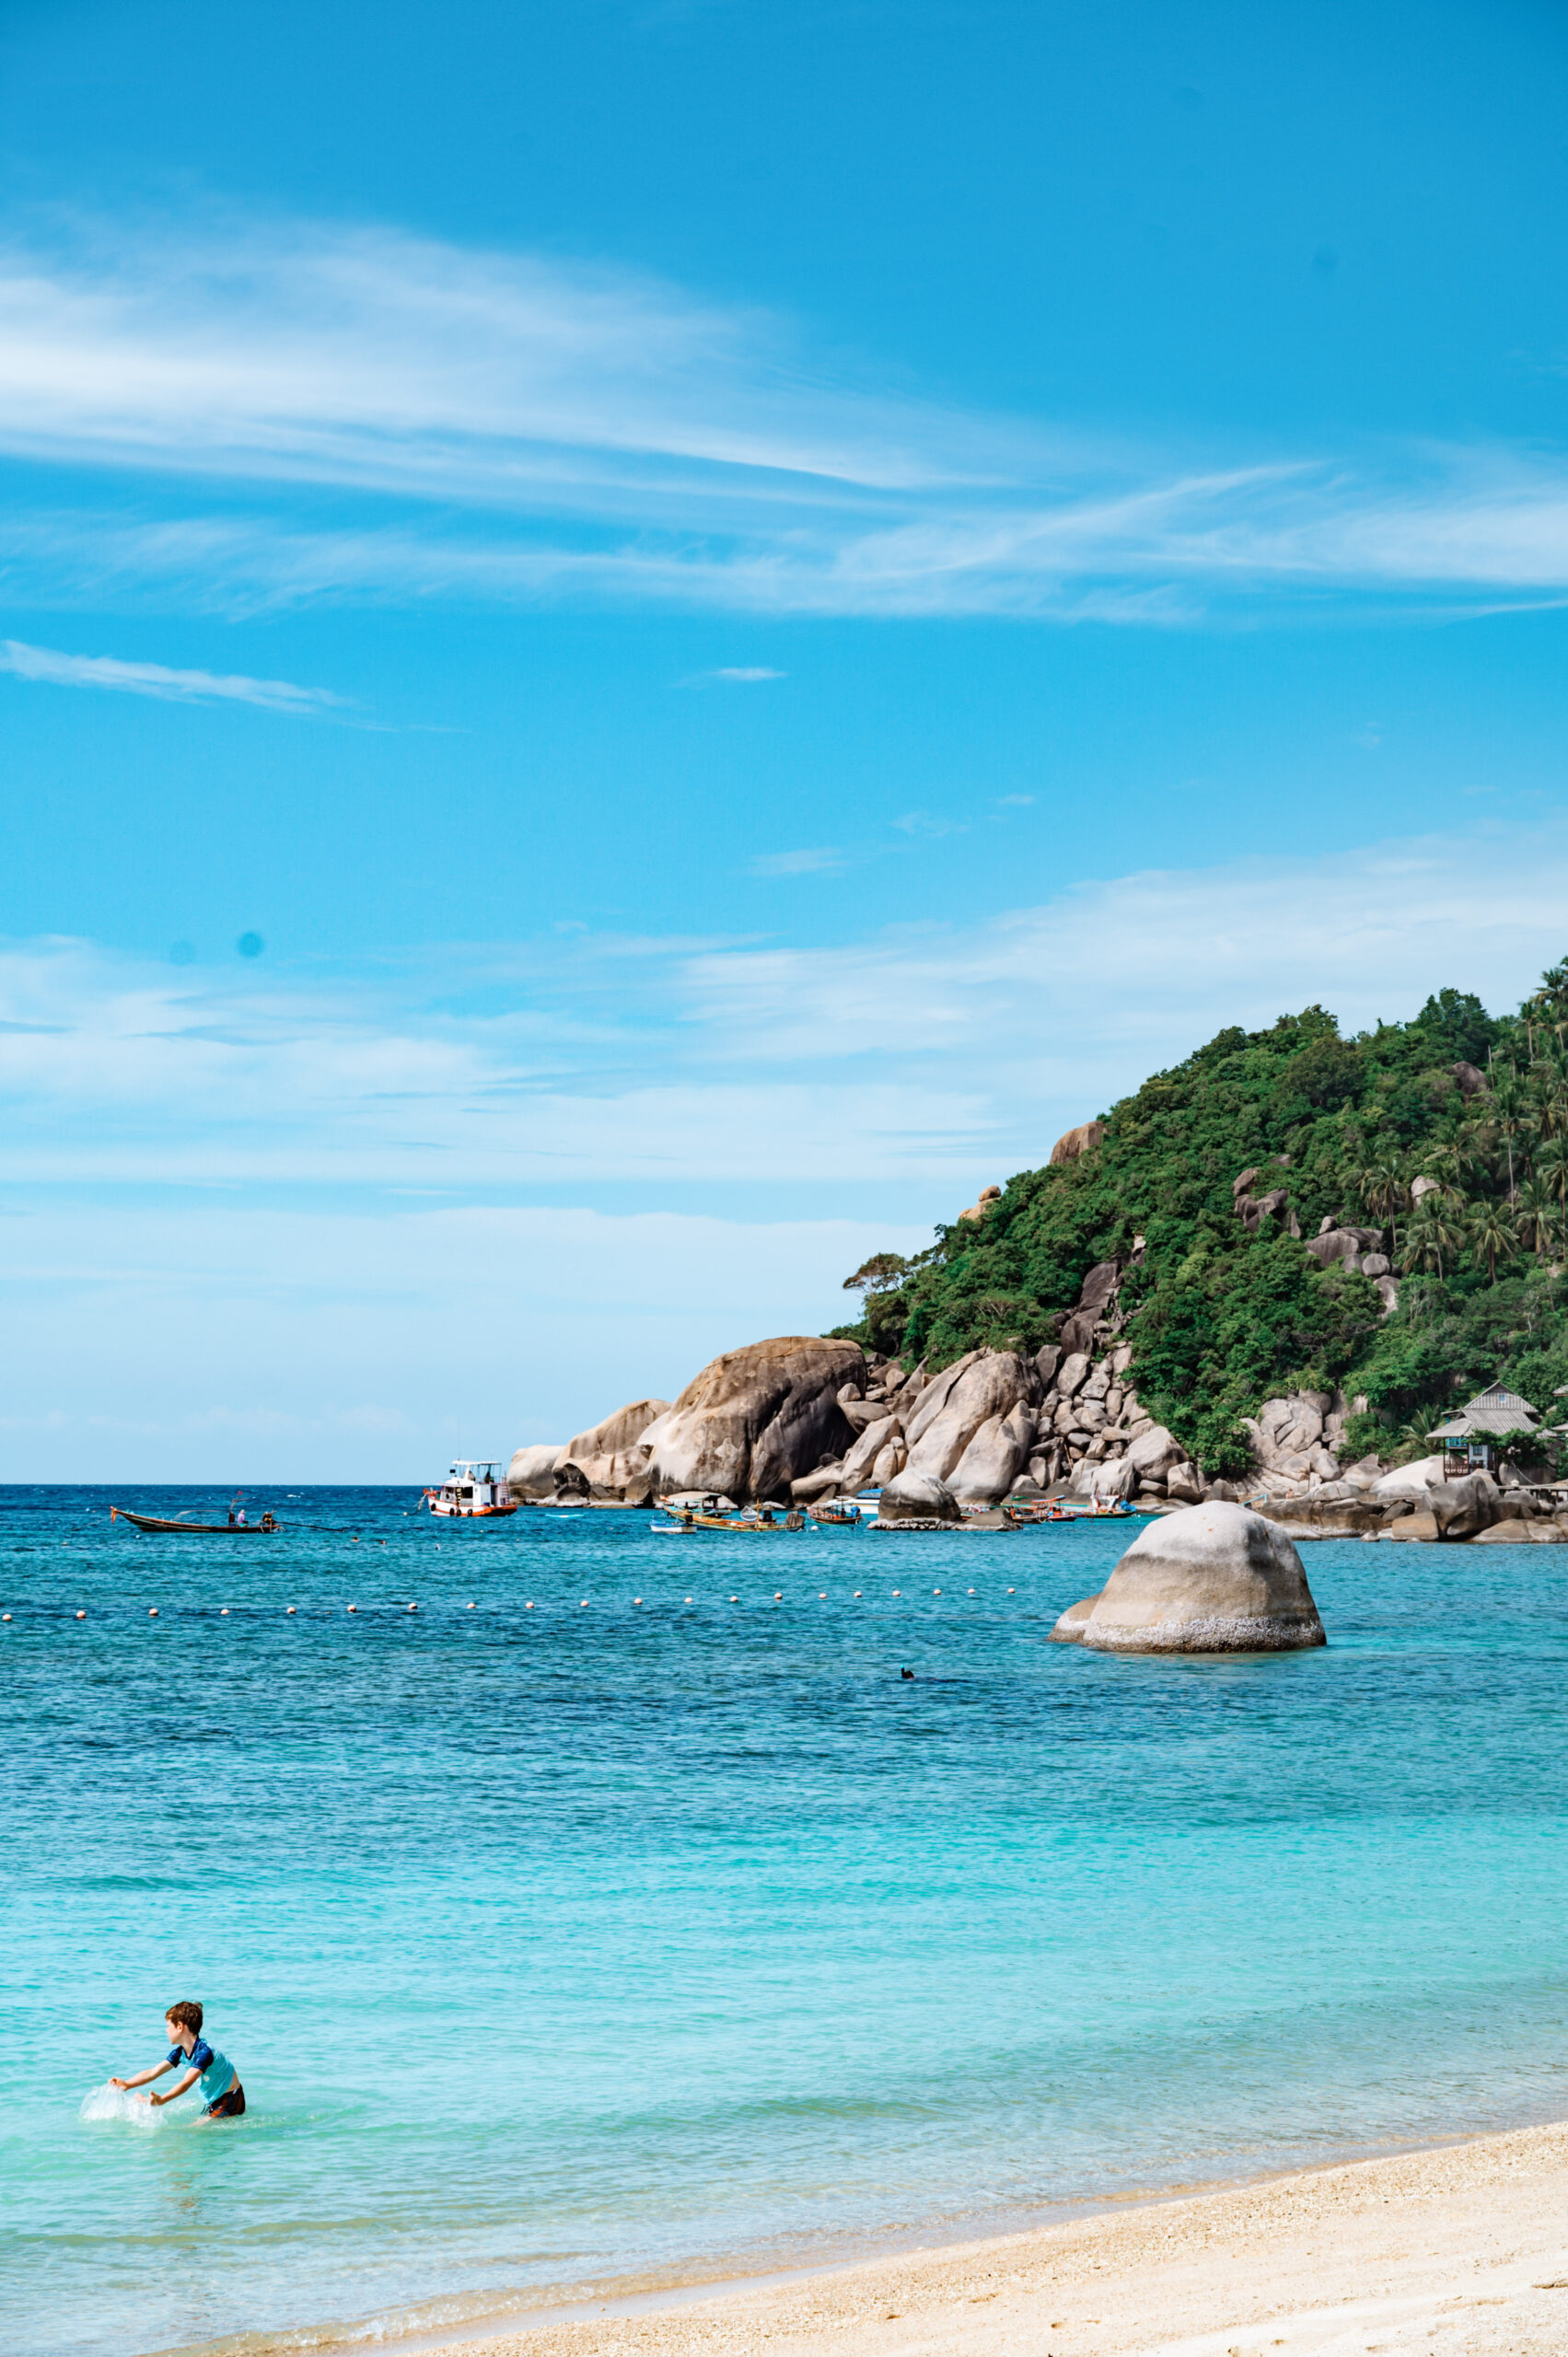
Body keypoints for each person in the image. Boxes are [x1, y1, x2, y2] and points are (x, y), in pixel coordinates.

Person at [110, 2000, 245, 2119]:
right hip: (214, 2101)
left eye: (168, 2026)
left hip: (231, 2100)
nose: (166, 2030)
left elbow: (186, 2083)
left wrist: (162, 2100)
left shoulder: (204, 2052)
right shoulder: (181, 2052)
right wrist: (127, 2084)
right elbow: (153, 2072)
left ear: (180, 2026)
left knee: (195, 2130)